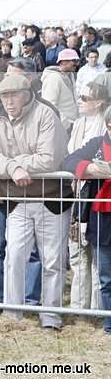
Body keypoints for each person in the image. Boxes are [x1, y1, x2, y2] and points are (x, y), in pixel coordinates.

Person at [0, 74, 71, 330]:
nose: (9, 101)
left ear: (27, 94)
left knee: (52, 260)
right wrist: (12, 168)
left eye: (14, 96)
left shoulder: (45, 114)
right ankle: (12, 314)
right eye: (5, 96)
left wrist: (15, 164)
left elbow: (50, 158)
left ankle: (50, 316)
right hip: (17, 199)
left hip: (51, 198)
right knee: (13, 256)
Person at [63, 106, 111, 334]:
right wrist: (89, 168)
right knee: (106, 277)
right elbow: (69, 161)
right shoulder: (96, 144)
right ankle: (109, 323)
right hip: (102, 221)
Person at [41, 48, 79, 132]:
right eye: (74, 61)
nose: (77, 64)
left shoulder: (70, 75)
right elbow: (49, 106)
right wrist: (67, 123)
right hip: (60, 127)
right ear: (63, 62)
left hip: (73, 125)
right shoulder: (53, 78)